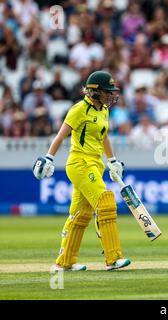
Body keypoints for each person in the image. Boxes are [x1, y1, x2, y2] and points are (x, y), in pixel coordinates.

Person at [32, 70, 131, 271]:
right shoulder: (79, 110)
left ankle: (65, 262)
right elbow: (60, 136)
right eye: (107, 91)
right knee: (105, 201)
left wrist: (112, 161)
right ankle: (113, 258)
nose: (110, 95)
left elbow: (104, 137)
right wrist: (49, 158)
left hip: (95, 164)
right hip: (79, 163)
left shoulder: (103, 110)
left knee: (81, 214)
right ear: (94, 91)